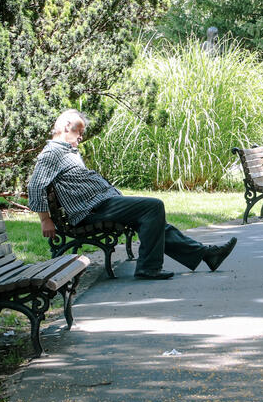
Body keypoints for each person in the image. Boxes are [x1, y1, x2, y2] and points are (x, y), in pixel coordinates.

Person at [27, 109, 237, 280]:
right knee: (153, 206)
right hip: (91, 211)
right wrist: (45, 220)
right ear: (66, 126)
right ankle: (148, 267)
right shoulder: (52, 152)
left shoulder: (66, 151)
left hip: (101, 204)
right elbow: (35, 185)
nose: (81, 137)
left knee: (152, 220)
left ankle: (207, 255)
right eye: (79, 131)